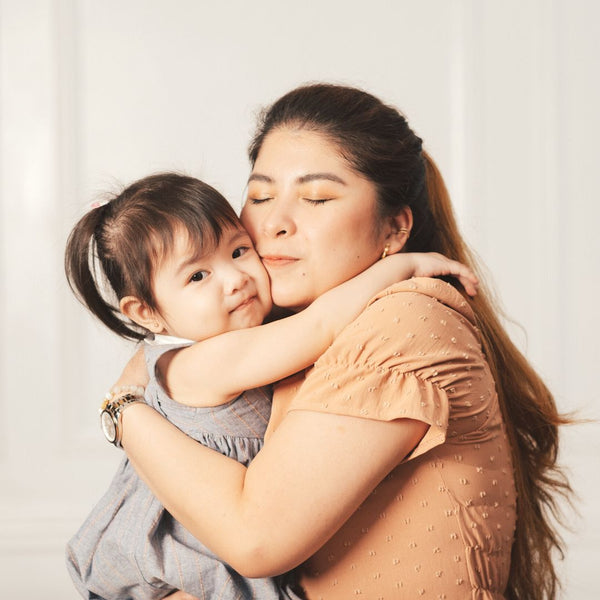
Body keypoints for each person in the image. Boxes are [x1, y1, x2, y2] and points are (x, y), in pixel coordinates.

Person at [114, 84, 572, 600]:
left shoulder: (404, 321)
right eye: (260, 196)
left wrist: (123, 410)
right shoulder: (278, 337)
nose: (274, 223)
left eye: (316, 198)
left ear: (395, 229)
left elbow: (256, 540)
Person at [64, 172, 476, 599]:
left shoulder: (221, 346)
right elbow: (319, 325)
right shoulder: (201, 363)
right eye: (198, 277)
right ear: (147, 313)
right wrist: (402, 265)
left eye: (239, 251)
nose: (235, 278)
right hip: (182, 571)